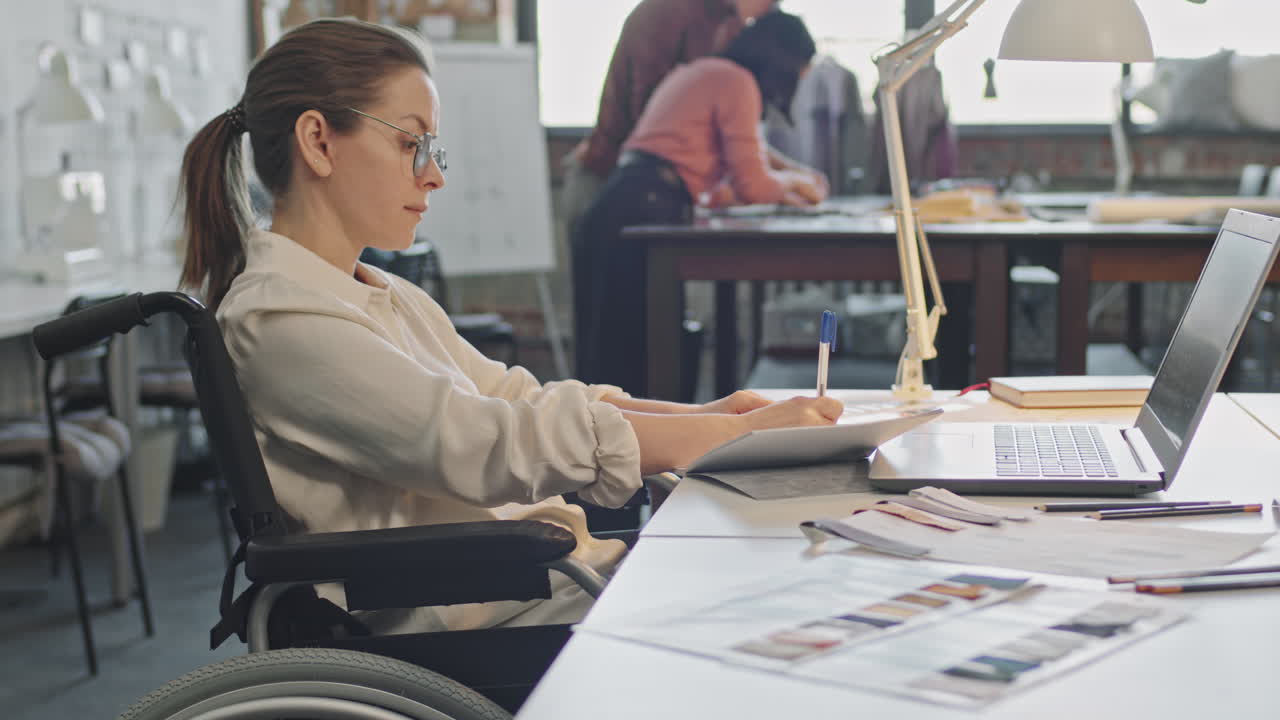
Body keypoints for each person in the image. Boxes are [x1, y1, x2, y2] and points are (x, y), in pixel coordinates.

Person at [177, 18, 841, 636]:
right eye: (410, 143)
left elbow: (516, 398)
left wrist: (709, 417)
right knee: (780, 604)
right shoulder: (278, 319)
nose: (432, 175)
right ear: (319, 141)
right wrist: (717, 436)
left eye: (432, 149)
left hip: (531, 580)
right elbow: (482, 442)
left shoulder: (384, 294)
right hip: (476, 610)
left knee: (787, 579)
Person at [572, 9, 827, 394]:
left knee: (613, 358)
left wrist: (796, 182)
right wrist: (802, 184)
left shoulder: (705, 71)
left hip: (622, 203)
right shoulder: (736, 82)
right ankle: (646, 452)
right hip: (644, 205)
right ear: (784, 62)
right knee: (631, 362)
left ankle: (628, 449)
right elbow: (753, 185)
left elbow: (734, 178)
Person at [562, 0, 780, 234]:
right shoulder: (667, 10)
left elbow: (738, 135)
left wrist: (784, 173)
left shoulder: (730, 25)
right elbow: (649, 116)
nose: (771, 8)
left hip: (662, 193)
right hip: (612, 179)